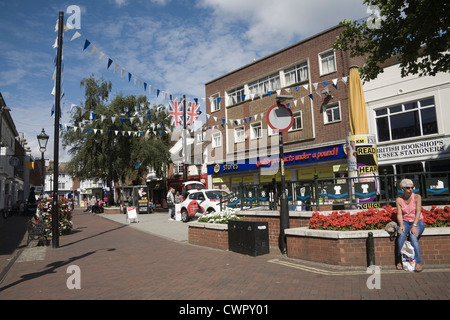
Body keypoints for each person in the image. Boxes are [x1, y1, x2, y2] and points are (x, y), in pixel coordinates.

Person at [396, 178, 425, 272]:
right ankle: (400, 260)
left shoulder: (417, 197)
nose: (411, 189)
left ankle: (418, 262)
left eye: (412, 187)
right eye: (408, 188)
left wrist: (414, 225)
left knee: (413, 236)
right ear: (402, 189)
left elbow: (418, 212)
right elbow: (399, 214)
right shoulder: (399, 200)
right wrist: (401, 225)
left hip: (417, 221)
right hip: (405, 221)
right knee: (401, 235)